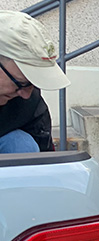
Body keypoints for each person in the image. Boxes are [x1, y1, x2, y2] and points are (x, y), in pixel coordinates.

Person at [0, 10, 71, 153]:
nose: (26, 95)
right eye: (21, 83)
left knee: (20, 144)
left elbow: (45, 162)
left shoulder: (30, 105)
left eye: (33, 83)